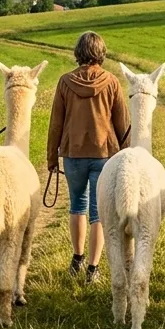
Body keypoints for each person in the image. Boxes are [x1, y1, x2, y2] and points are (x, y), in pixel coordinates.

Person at [46, 31, 129, 284]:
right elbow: (123, 124)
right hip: (104, 154)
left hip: (73, 153)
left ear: (78, 52)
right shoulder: (112, 82)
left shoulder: (64, 82)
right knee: (98, 213)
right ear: (101, 53)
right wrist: (126, 155)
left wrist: (51, 156)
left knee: (77, 205)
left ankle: (77, 258)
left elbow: (55, 124)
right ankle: (93, 267)